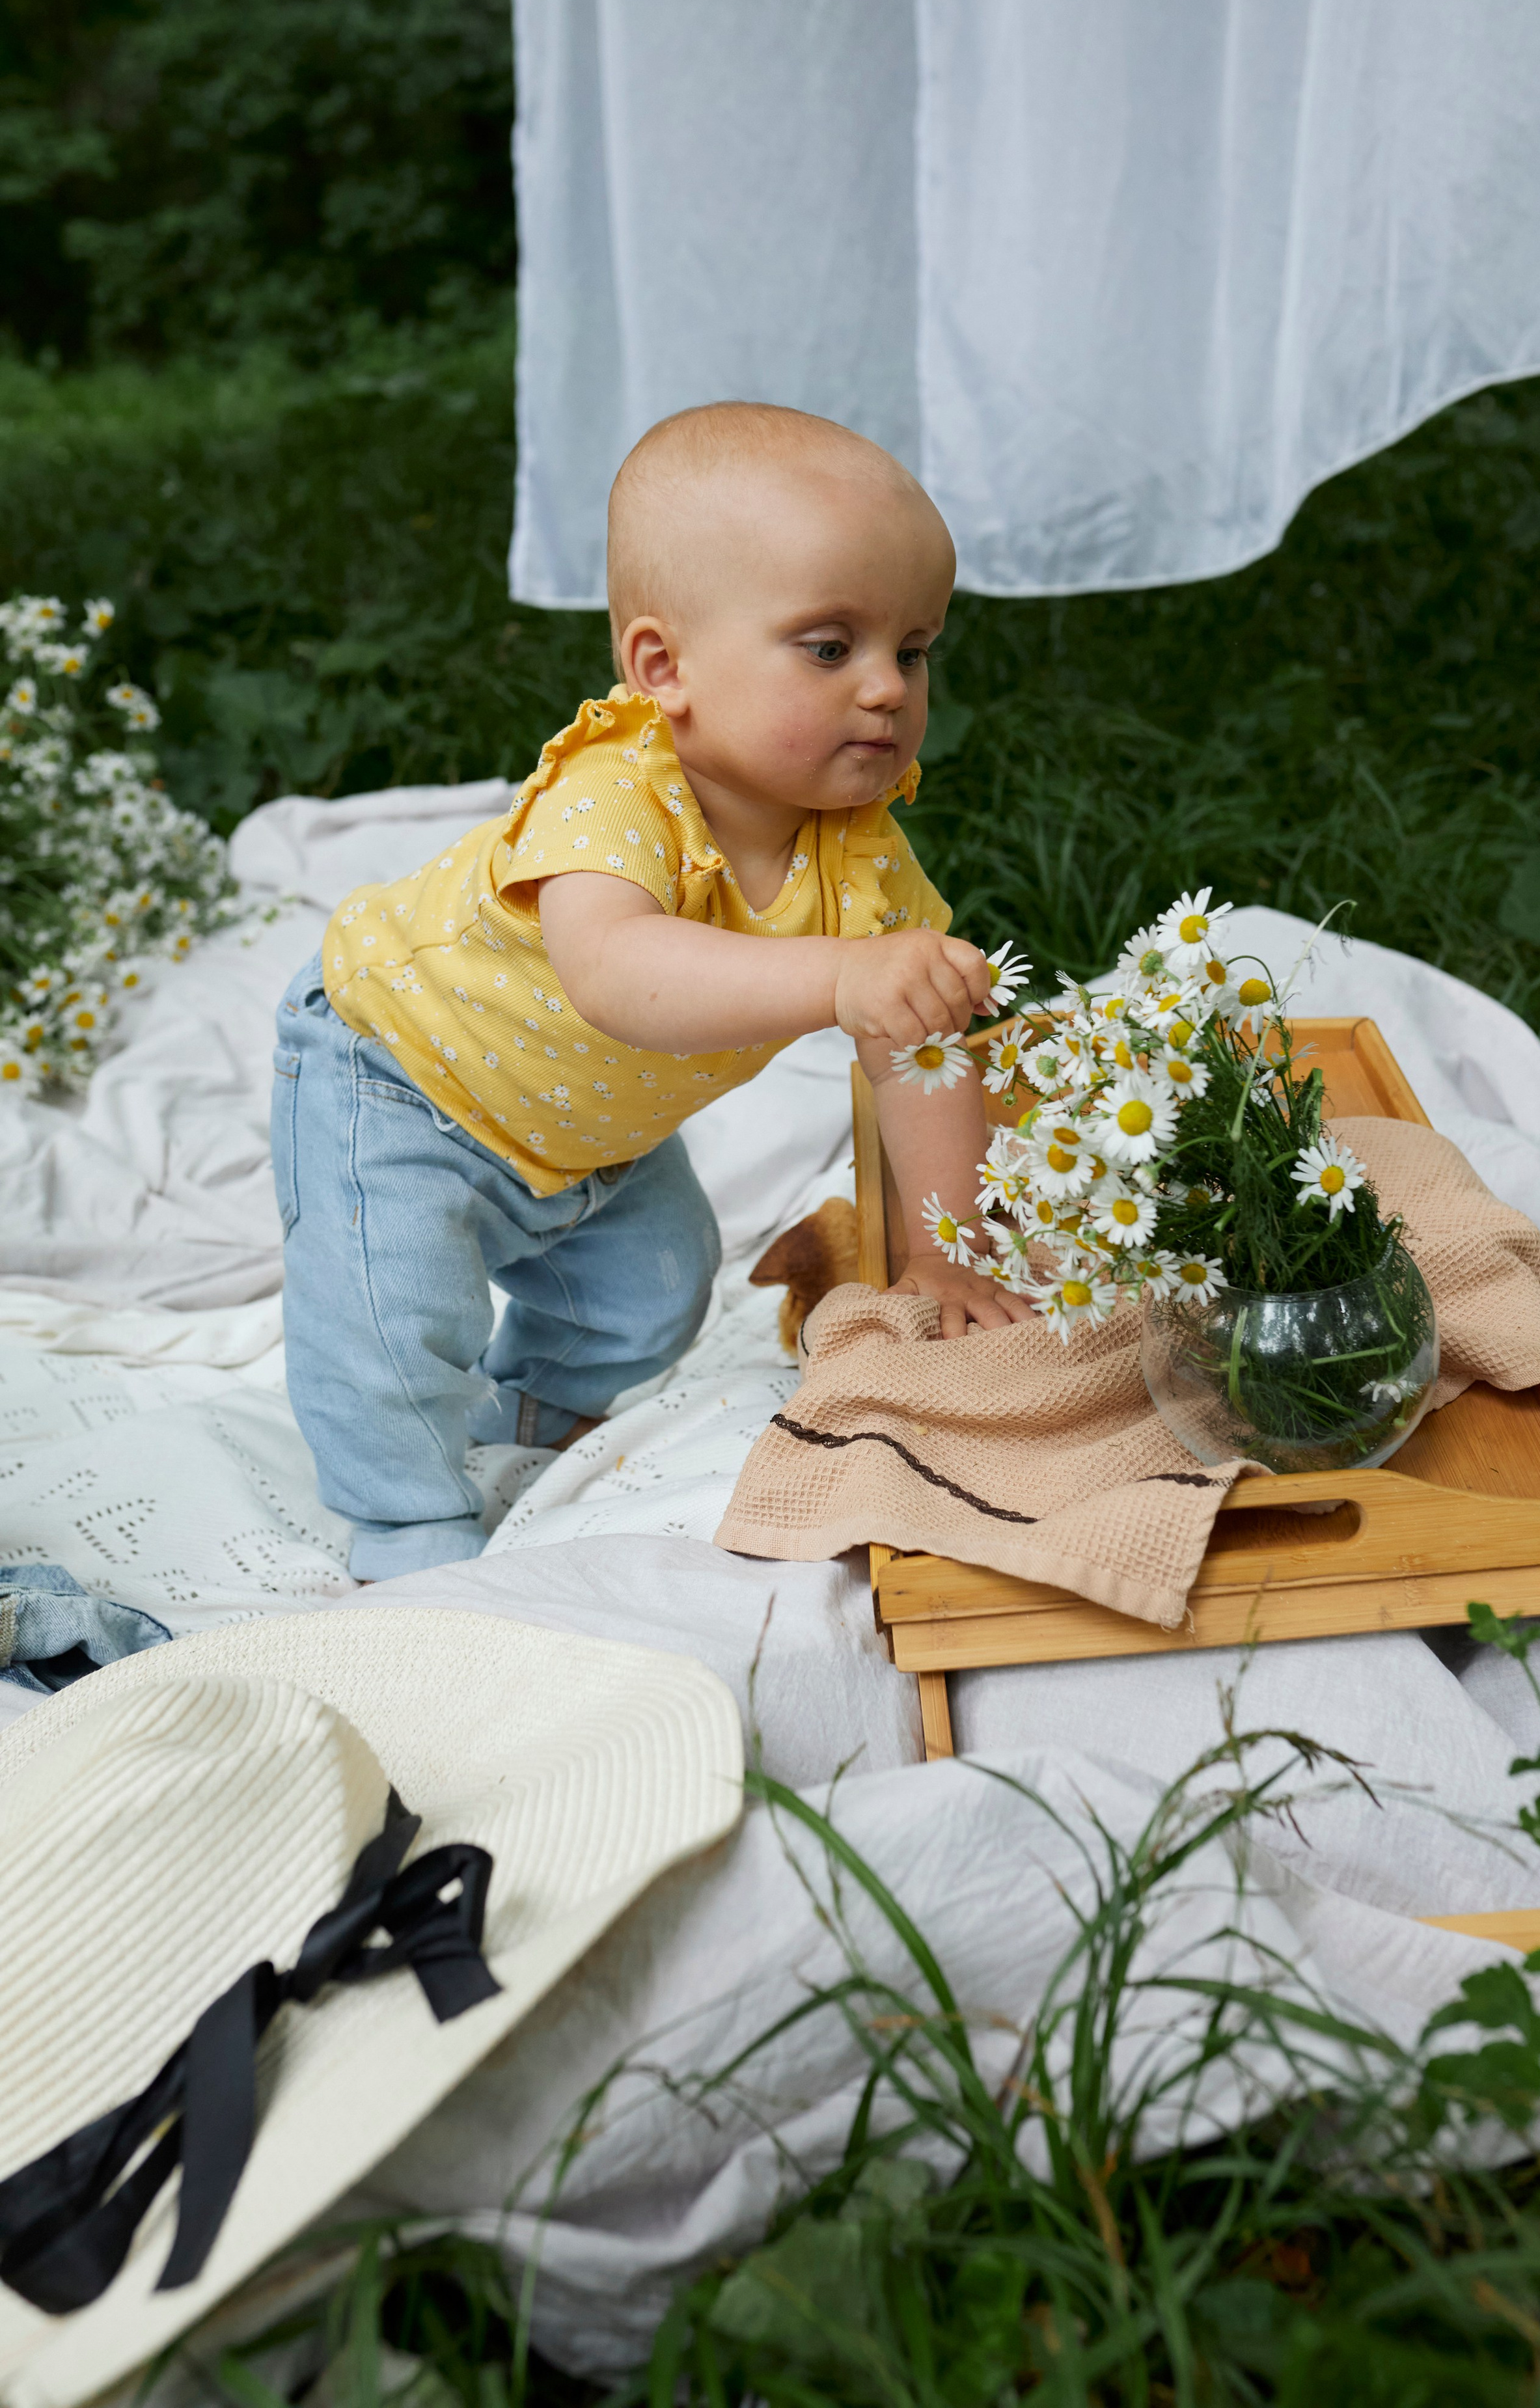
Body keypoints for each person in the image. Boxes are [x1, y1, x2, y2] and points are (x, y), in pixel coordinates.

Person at [273, 400, 1030, 1580]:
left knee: (659, 1287)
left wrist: (950, 1248)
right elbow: (617, 974)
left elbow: (919, 1052)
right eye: (831, 648)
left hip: (591, 1130)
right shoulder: (615, 790)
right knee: (392, 1325)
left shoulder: (861, 852)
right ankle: (406, 1528)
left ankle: (533, 1416)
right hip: (399, 1077)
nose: (887, 688)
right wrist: (842, 976)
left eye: (914, 648)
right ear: (662, 666)